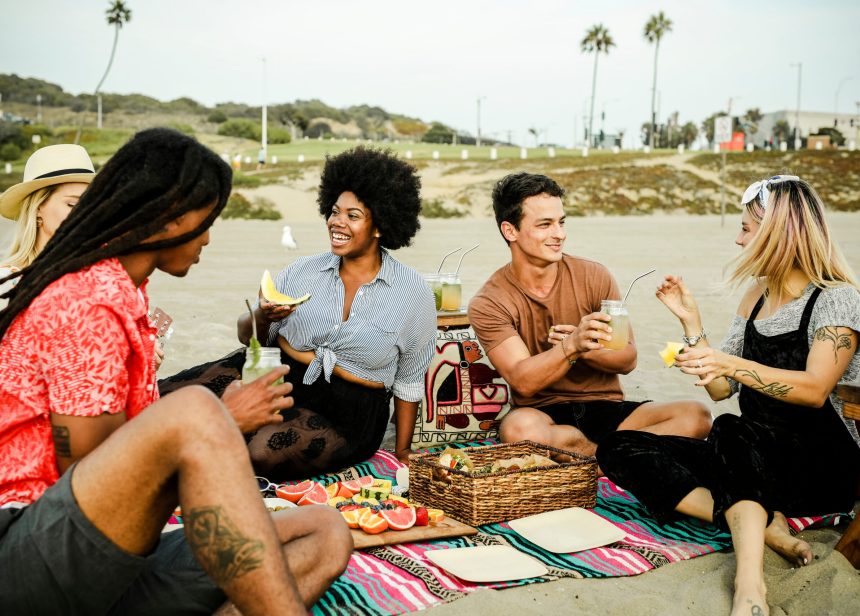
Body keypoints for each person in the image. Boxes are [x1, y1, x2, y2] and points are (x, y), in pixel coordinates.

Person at [0, 128, 351, 615]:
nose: (208, 237)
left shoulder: (129, 296)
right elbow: (81, 476)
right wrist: (221, 423)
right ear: (167, 219)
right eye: (206, 220)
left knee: (324, 532)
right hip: (30, 549)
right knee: (195, 407)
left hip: (113, 556)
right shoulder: (85, 301)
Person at [597, 175, 860, 615]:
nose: (739, 241)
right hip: (752, 459)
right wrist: (691, 324)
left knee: (731, 430)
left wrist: (727, 362)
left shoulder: (837, 299)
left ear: (777, 234)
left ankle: (750, 583)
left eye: (746, 229)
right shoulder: (755, 297)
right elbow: (722, 389)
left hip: (821, 466)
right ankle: (767, 526)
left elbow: (815, 390)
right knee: (620, 447)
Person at [468, 172, 711, 457]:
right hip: (544, 414)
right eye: (545, 225)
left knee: (697, 415)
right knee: (519, 430)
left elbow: (627, 360)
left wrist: (584, 348)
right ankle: (616, 455)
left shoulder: (595, 275)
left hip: (608, 410)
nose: (559, 234)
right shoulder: (489, 301)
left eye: (561, 222)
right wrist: (571, 345)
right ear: (510, 231)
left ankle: (592, 457)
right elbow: (523, 380)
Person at [238, 146, 436, 478]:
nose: (336, 222)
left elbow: (409, 380)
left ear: (380, 226)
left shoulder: (412, 292)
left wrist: (402, 450)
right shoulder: (301, 271)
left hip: (353, 410)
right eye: (334, 211)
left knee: (261, 453)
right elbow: (249, 338)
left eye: (352, 215)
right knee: (181, 397)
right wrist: (263, 315)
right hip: (284, 379)